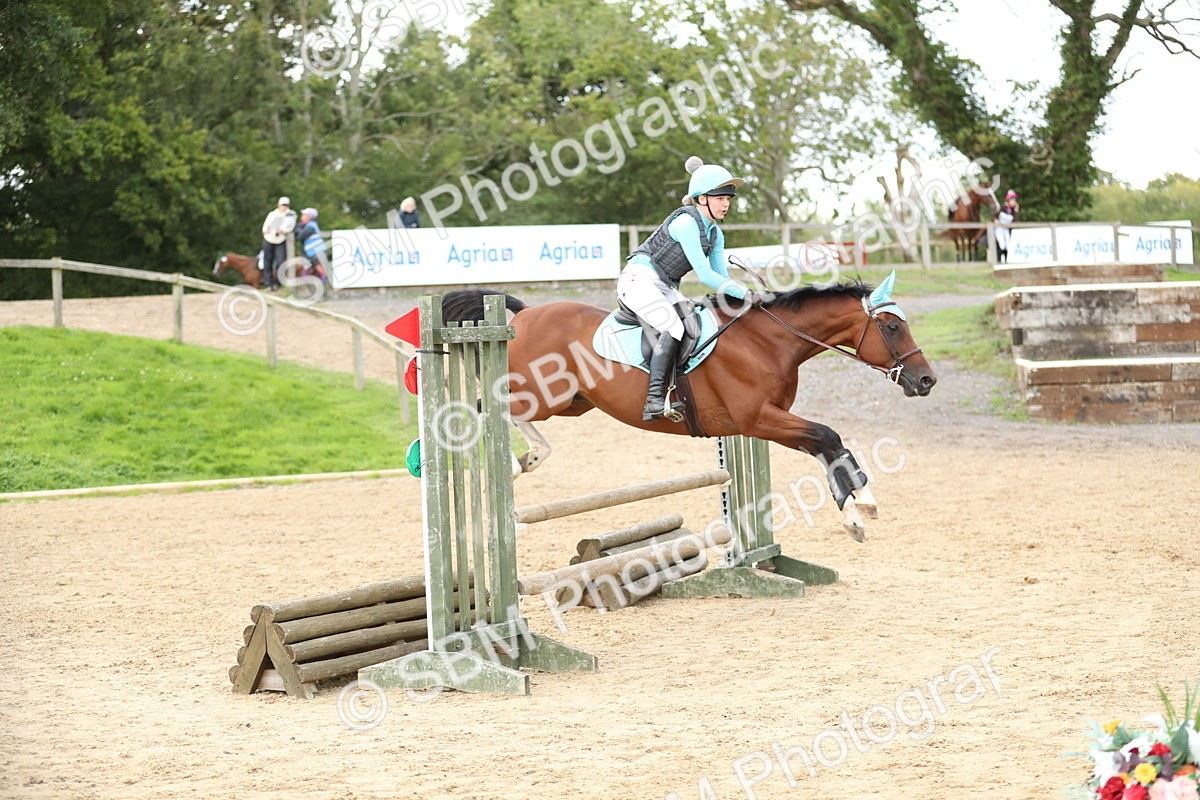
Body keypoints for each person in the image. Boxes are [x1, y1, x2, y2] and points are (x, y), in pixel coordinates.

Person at [618, 156, 759, 422]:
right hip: (638, 279)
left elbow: (721, 276)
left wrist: (742, 296)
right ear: (701, 199)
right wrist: (745, 293)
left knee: (697, 321)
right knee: (674, 326)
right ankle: (654, 400)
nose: (726, 204)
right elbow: (705, 275)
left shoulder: (715, 233)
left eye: (728, 198)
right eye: (719, 198)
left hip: (664, 285)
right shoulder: (686, 224)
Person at [261, 196, 296, 291]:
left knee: (280, 261)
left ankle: (278, 283)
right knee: (267, 261)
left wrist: (282, 230)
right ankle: (268, 283)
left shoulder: (291, 215)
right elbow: (265, 226)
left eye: (285, 205)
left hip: (280, 240)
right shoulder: (272, 214)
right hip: (269, 239)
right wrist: (266, 230)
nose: (284, 207)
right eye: (282, 205)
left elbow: (290, 227)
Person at [293, 207, 328, 282]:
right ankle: (309, 277)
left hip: (316, 249)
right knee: (313, 264)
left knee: (317, 264)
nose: (302, 216)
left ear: (308, 217)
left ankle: (324, 277)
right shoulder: (307, 225)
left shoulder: (311, 226)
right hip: (313, 250)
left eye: (304, 215)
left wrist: (298, 230)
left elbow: (301, 236)